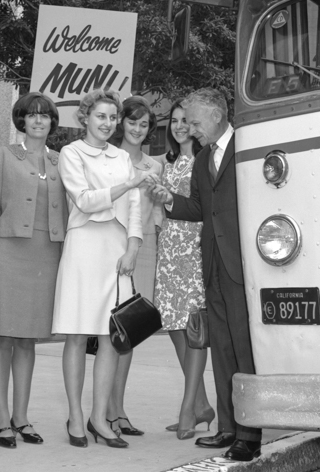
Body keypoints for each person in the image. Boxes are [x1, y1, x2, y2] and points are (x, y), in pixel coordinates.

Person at [149, 88, 262, 462]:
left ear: (216, 116)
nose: (192, 129)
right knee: (224, 349)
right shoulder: (202, 160)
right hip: (210, 264)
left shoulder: (248, 148)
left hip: (243, 264)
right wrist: (167, 198)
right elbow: (198, 208)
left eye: (195, 121)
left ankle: (250, 432)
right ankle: (228, 427)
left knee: (244, 348)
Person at [51, 89, 148, 450]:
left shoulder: (122, 156)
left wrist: (134, 247)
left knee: (111, 336)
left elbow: (135, 207)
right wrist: (128, 184)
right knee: (77, 335)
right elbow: (85, 200)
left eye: (112, 117)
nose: (107, 123)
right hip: (84, 247)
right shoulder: (70, 153)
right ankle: (75, 416)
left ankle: (99, 417)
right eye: (100, 116)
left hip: (117, 250)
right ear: (85, 118)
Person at [0, 92, 67, 449]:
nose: (39, 121)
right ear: (21, 120)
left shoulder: (62, 161)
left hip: (47, 256)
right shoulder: (3, 155)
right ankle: (1, 417)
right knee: (5, 337)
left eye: (45, 116)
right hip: (8, 251)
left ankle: (22, 417)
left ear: (52, 122)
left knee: (28, 339)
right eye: (32, 115)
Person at [153, 99, 214, 440]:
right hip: (169, 250)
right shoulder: (167, 163)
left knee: (194, 330)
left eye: (184, 120)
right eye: (174, 121)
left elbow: (201, 207)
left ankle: (188, 409)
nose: (178, 126)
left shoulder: (205, 160)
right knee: (175, 328)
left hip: (193, 249)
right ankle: (203, 405)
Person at [106, 95, 164, 437]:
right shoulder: (107, 159)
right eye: (132, 122)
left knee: (131, 329)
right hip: (112, 246)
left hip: (144, 247)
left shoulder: (154, 167)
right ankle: (105, 410)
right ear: (121, 123)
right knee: (108, 330)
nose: (138, 130)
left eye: (144, 125)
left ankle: (118, 408)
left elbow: (156, 214)